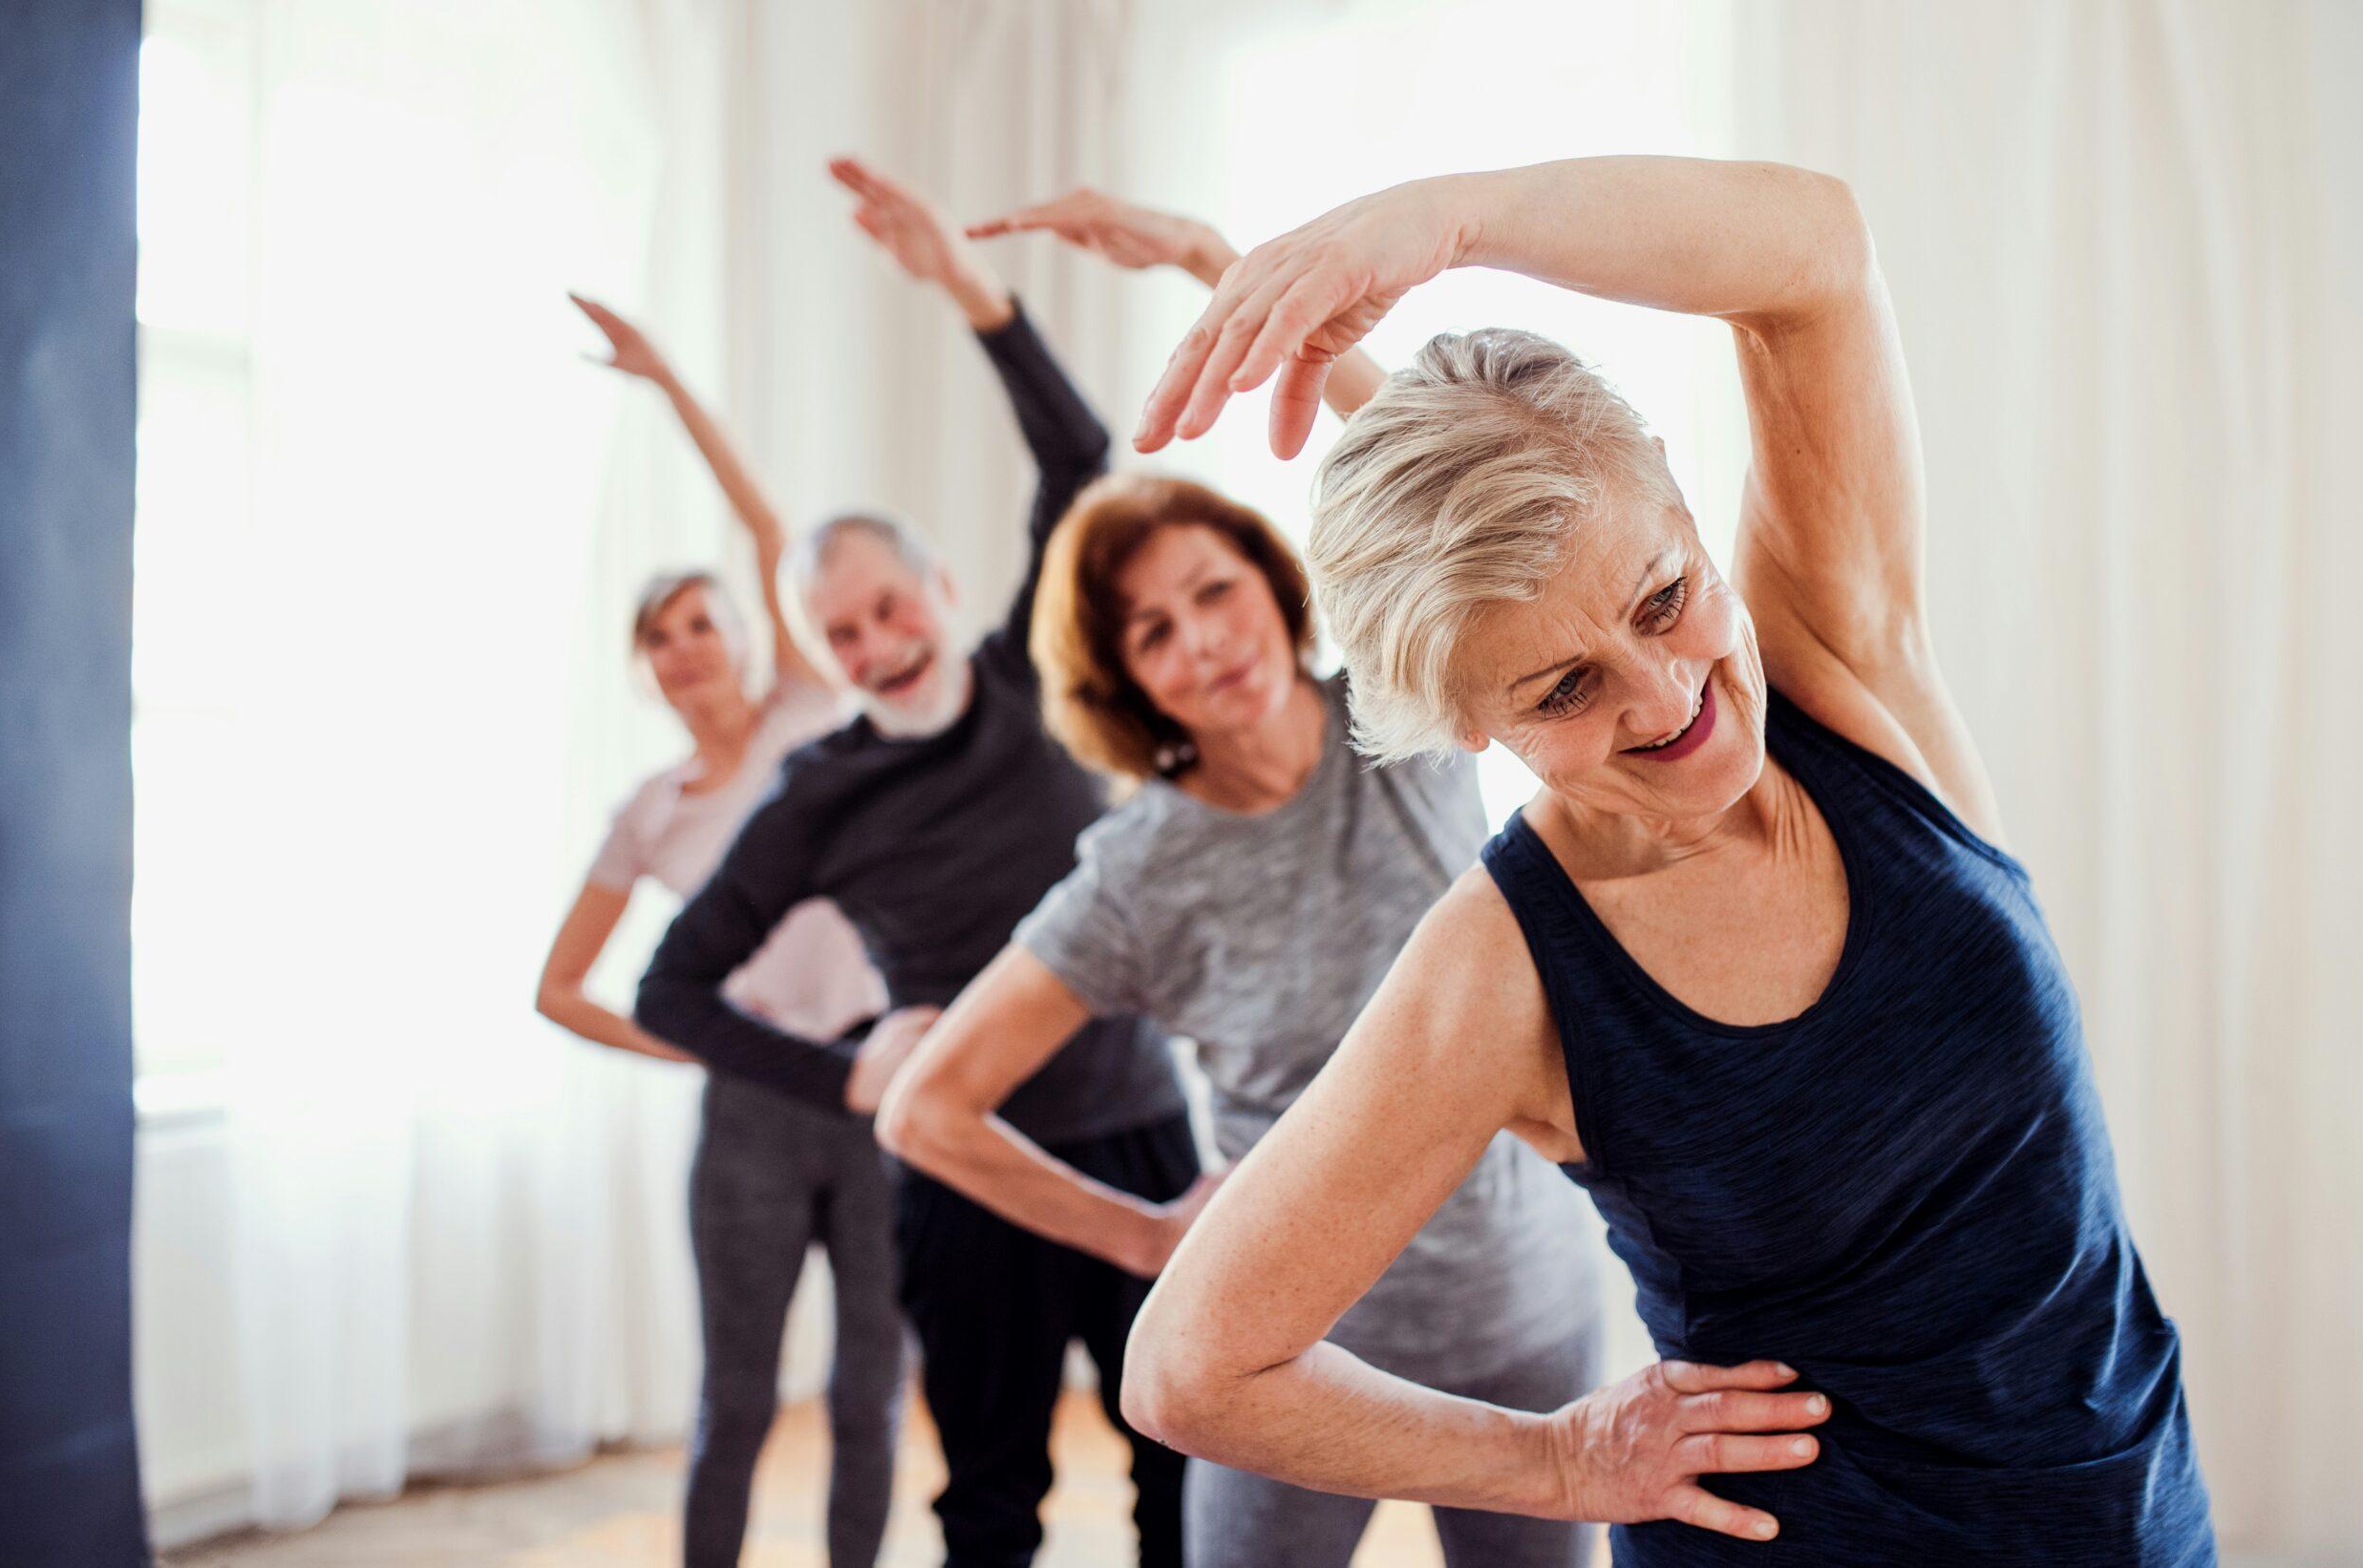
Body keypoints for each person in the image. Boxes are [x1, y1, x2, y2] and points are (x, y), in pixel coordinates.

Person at [1117, 154, 2217, 1564]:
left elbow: (1816, 251)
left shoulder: (1839, 666)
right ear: (1472, 724)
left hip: (2140, 1512)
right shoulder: (1506, 968)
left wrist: (1454, 222)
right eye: (1561, 691)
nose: (1666, 699)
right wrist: (1554, 1455)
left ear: (1693, 521)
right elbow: (1192, 1364)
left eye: (1664, 596)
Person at [877, 189, 1613, 1568]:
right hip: (1288, 1360)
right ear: (1126, 679)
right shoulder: (1137, 869)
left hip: (1523, 1319)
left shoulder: (1398, 715)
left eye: (1212, 591)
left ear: (1273, 589)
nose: (1201, 641)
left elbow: (1441, 476)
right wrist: (1148, 1236)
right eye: (1153, 629)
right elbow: (928, 1108)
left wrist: (1227, 268)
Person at [633, 158, 1200, 1568]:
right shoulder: (818, 796)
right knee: (989, 1495)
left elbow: (1080, 461)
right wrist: (846, 1073)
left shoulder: (1029, 680)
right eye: (843, 634)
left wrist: (966, 286)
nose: (874, 643)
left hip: (1135, 1125)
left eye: (889, 606)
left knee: (1185, 1462)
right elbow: (671, 985)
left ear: (941, 589)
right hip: (964, 1167)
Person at [533, 295, 902, 1568]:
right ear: (646, 669)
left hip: (874, 1085)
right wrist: (696, 1051)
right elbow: (561, 988)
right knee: (734, 1400)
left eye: (704, 622)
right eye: (662, 638)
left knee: (869, 1396)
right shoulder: (648, 812)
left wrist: (667, 380)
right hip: (749, 1116)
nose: (689, 649)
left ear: (746, 635)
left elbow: (765, 529)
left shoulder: (813, 712)